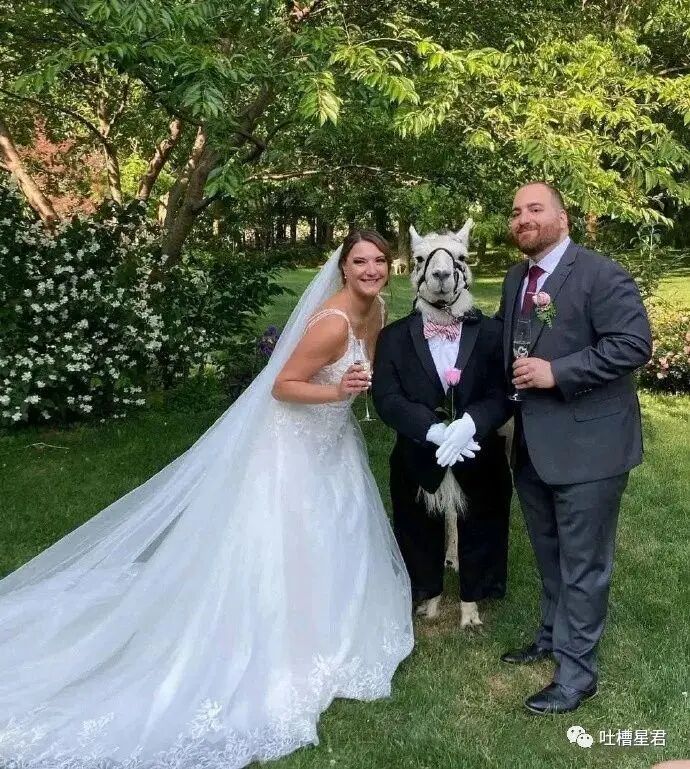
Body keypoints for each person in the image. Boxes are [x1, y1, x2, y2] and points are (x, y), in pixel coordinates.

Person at [0, 231, 413, 769]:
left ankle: (336, 625)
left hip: (333, 442)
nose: (371, 269)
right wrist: (337, 391)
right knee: (287, 540)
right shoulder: (332, 322)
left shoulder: (377, 310)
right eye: (360, 261)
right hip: (291, 445)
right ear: (343, 269)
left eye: (379, 260)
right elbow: (282, 385)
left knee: (338, 531)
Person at [497, 182, 652, 714]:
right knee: (549, 552)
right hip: (532, 445)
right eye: (516, 211)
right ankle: (550, 635)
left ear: (562, 218)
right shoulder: (516, 278)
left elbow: (633, 345)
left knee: (584, 565)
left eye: (535, 209)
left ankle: (577, 675)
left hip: (590, 447)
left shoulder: (600, 274)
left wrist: (556, 372)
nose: (523, 218)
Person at [372, 222, 512, 629]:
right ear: (416, 269)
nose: (441, 269)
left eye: (457, 258)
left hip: (476, 448)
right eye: (424, 260)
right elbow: (387, 397)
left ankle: (473, 597)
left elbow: (502, 391)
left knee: (483, 516)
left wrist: (472, 422)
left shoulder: (489, 334)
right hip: (420, 450)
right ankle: (427, 589)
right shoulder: (395, 337)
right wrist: (429, 429)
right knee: (417, 520)